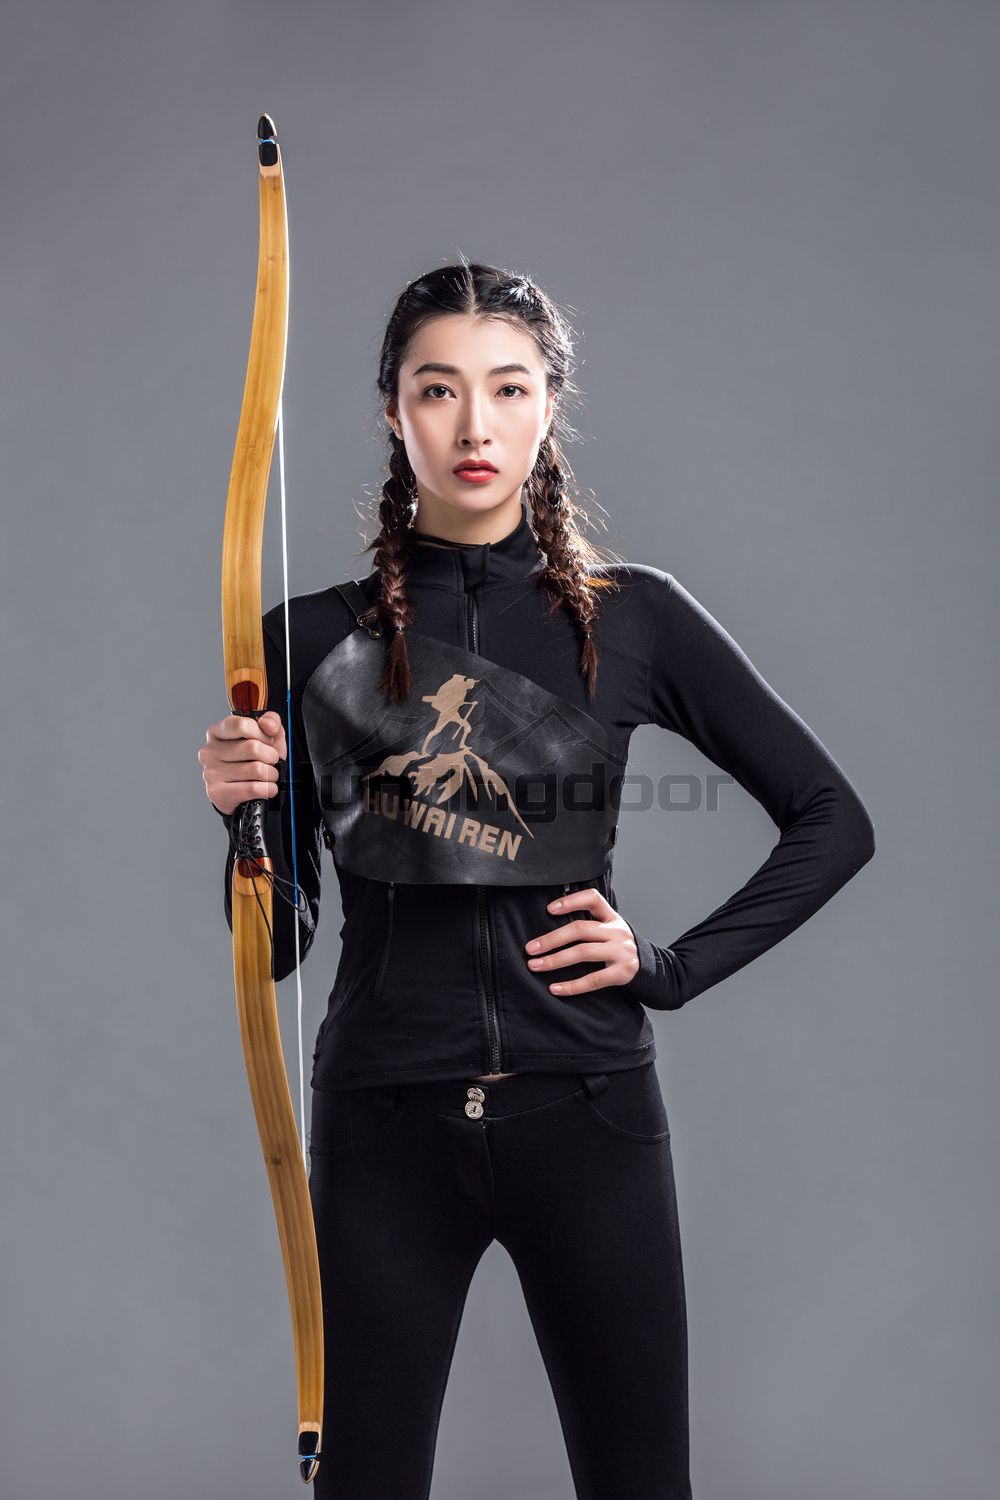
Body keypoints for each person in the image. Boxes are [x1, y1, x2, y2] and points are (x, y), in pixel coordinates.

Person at [199, 262, 875, 1499]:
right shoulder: (306, 639)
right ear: (393, 410)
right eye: (437, 388)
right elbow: (280, 943)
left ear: (548, 405)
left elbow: (833, 820)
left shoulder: (633, 618)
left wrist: (668, 969)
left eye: (507, 388)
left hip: (589, 1118)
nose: (474, 423)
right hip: (383, 1126)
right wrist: (241, 814)